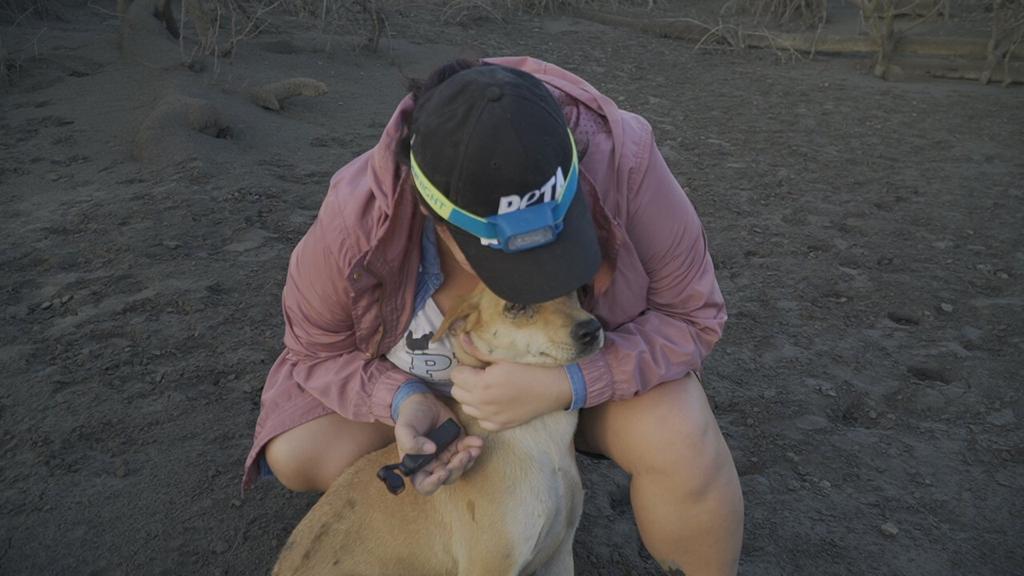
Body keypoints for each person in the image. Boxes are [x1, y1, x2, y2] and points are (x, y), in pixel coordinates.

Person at [242, 57, 743, 575]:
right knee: (299, 451)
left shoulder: (622, 159)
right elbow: (314, 348)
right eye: (509, 265)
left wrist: (567, 384)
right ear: (434, 216)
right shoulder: (357, 215)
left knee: (678, 432)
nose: (536, 275)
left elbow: (693, 315)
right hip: (432, 394)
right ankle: (446, 525)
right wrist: (402, 398)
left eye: (557, 246)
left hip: (580, 373)